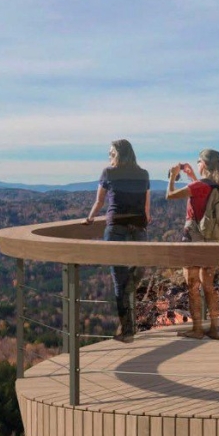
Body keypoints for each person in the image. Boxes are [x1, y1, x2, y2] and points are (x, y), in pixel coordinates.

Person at [83, 139, 150, 344]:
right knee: (136, 272)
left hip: (117, 228)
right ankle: (128, 328)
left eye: (111, 153)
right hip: (139, 227)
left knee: (121, 281)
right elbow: (147, 203)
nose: (109, 156)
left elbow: (100, 201)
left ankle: (127, 329)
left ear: (119, 154)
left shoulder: (108, 173)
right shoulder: (143, 174)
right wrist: (146, 219)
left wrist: (91, 216)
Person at [166, 148, 219, 340]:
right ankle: (215, 329)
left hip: (193, 239)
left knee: (192, 286)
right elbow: (201, 194)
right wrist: (192, 175)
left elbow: (170, 195)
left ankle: (197, 329)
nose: (197, 164)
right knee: (208, 286)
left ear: (204, 164)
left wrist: (173, 176)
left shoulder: (199, 186)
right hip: (210, 240)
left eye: (198, 162)